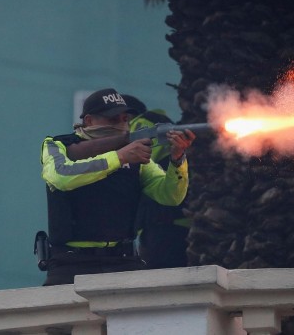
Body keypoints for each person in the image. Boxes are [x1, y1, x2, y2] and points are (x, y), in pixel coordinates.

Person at [40, 88, 195, 285]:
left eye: (125, 119)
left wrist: (178, 158)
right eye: (113, 119)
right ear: (89, 121)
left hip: (123, 261)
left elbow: (170, 195)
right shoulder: (58, 145)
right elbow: (62, 176)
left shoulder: (135, 153)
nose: (122, 125)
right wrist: (120, 157)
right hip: (71, 263)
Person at [124, 94, 191, 269]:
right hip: (177, 217)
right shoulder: (158, 122)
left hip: (164, 221)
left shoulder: (141, 125)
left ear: (128, 116)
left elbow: (137, 164)